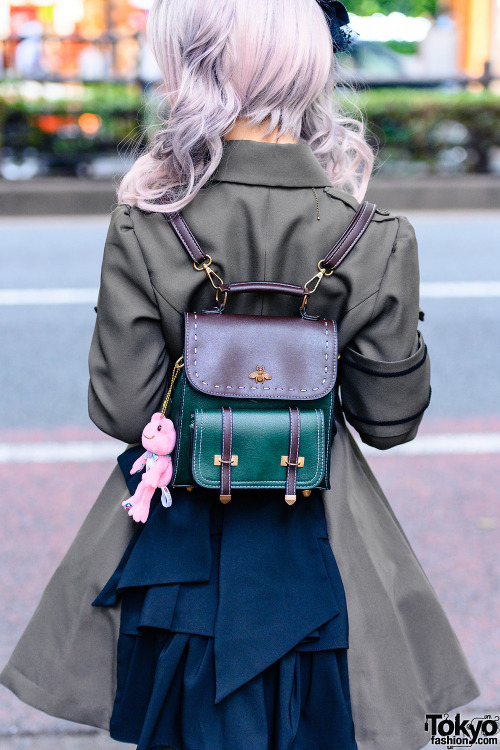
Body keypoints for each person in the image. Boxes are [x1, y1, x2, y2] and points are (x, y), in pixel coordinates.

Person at [0, 1, 480, 749]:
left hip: (182, 542)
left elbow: (123, 411)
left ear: (196, 67)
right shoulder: (375, 237)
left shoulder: (147, 221)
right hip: (322, 528)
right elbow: (391, 421)